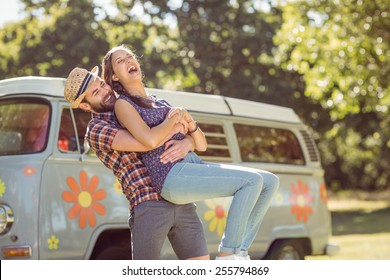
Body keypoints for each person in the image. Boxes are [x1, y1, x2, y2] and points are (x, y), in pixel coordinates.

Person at [102, 45, 280, 260]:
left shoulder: (160, 101)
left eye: (130, 56)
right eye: (120, 61)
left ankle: (240, 250)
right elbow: (149, 139)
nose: (129, 60)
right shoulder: (124, 104)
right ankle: (228, 254)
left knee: (269, 181)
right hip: (171, 174)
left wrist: (188, 133)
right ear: (114, 77)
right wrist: (173, 123)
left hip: (192, 162)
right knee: (251, 181)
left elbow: (201, 144)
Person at [63, 66, 209, 260]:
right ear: (85, 106)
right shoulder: (97, 129)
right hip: (148, 203)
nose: (106, 92)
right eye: (96, 93)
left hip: (180, 196)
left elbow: (188, 136)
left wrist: (187, 142)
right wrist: (175, 120)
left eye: (102, 84)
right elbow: (148, 143)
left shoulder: (133, 103)